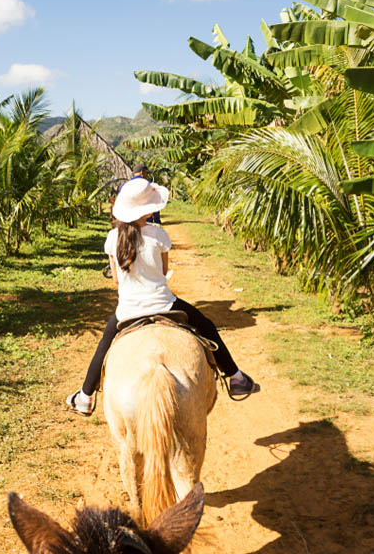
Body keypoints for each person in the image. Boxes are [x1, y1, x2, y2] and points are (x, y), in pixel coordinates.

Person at [66, 178, 259, 416]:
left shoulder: (112, 238)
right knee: (207, 326)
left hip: (128, 310)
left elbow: (116, 281)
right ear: (148, 209)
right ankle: (236, 377)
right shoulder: (159, 234)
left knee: (103, 346)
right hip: (165, 304)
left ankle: (85, 397)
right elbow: (163, 273)